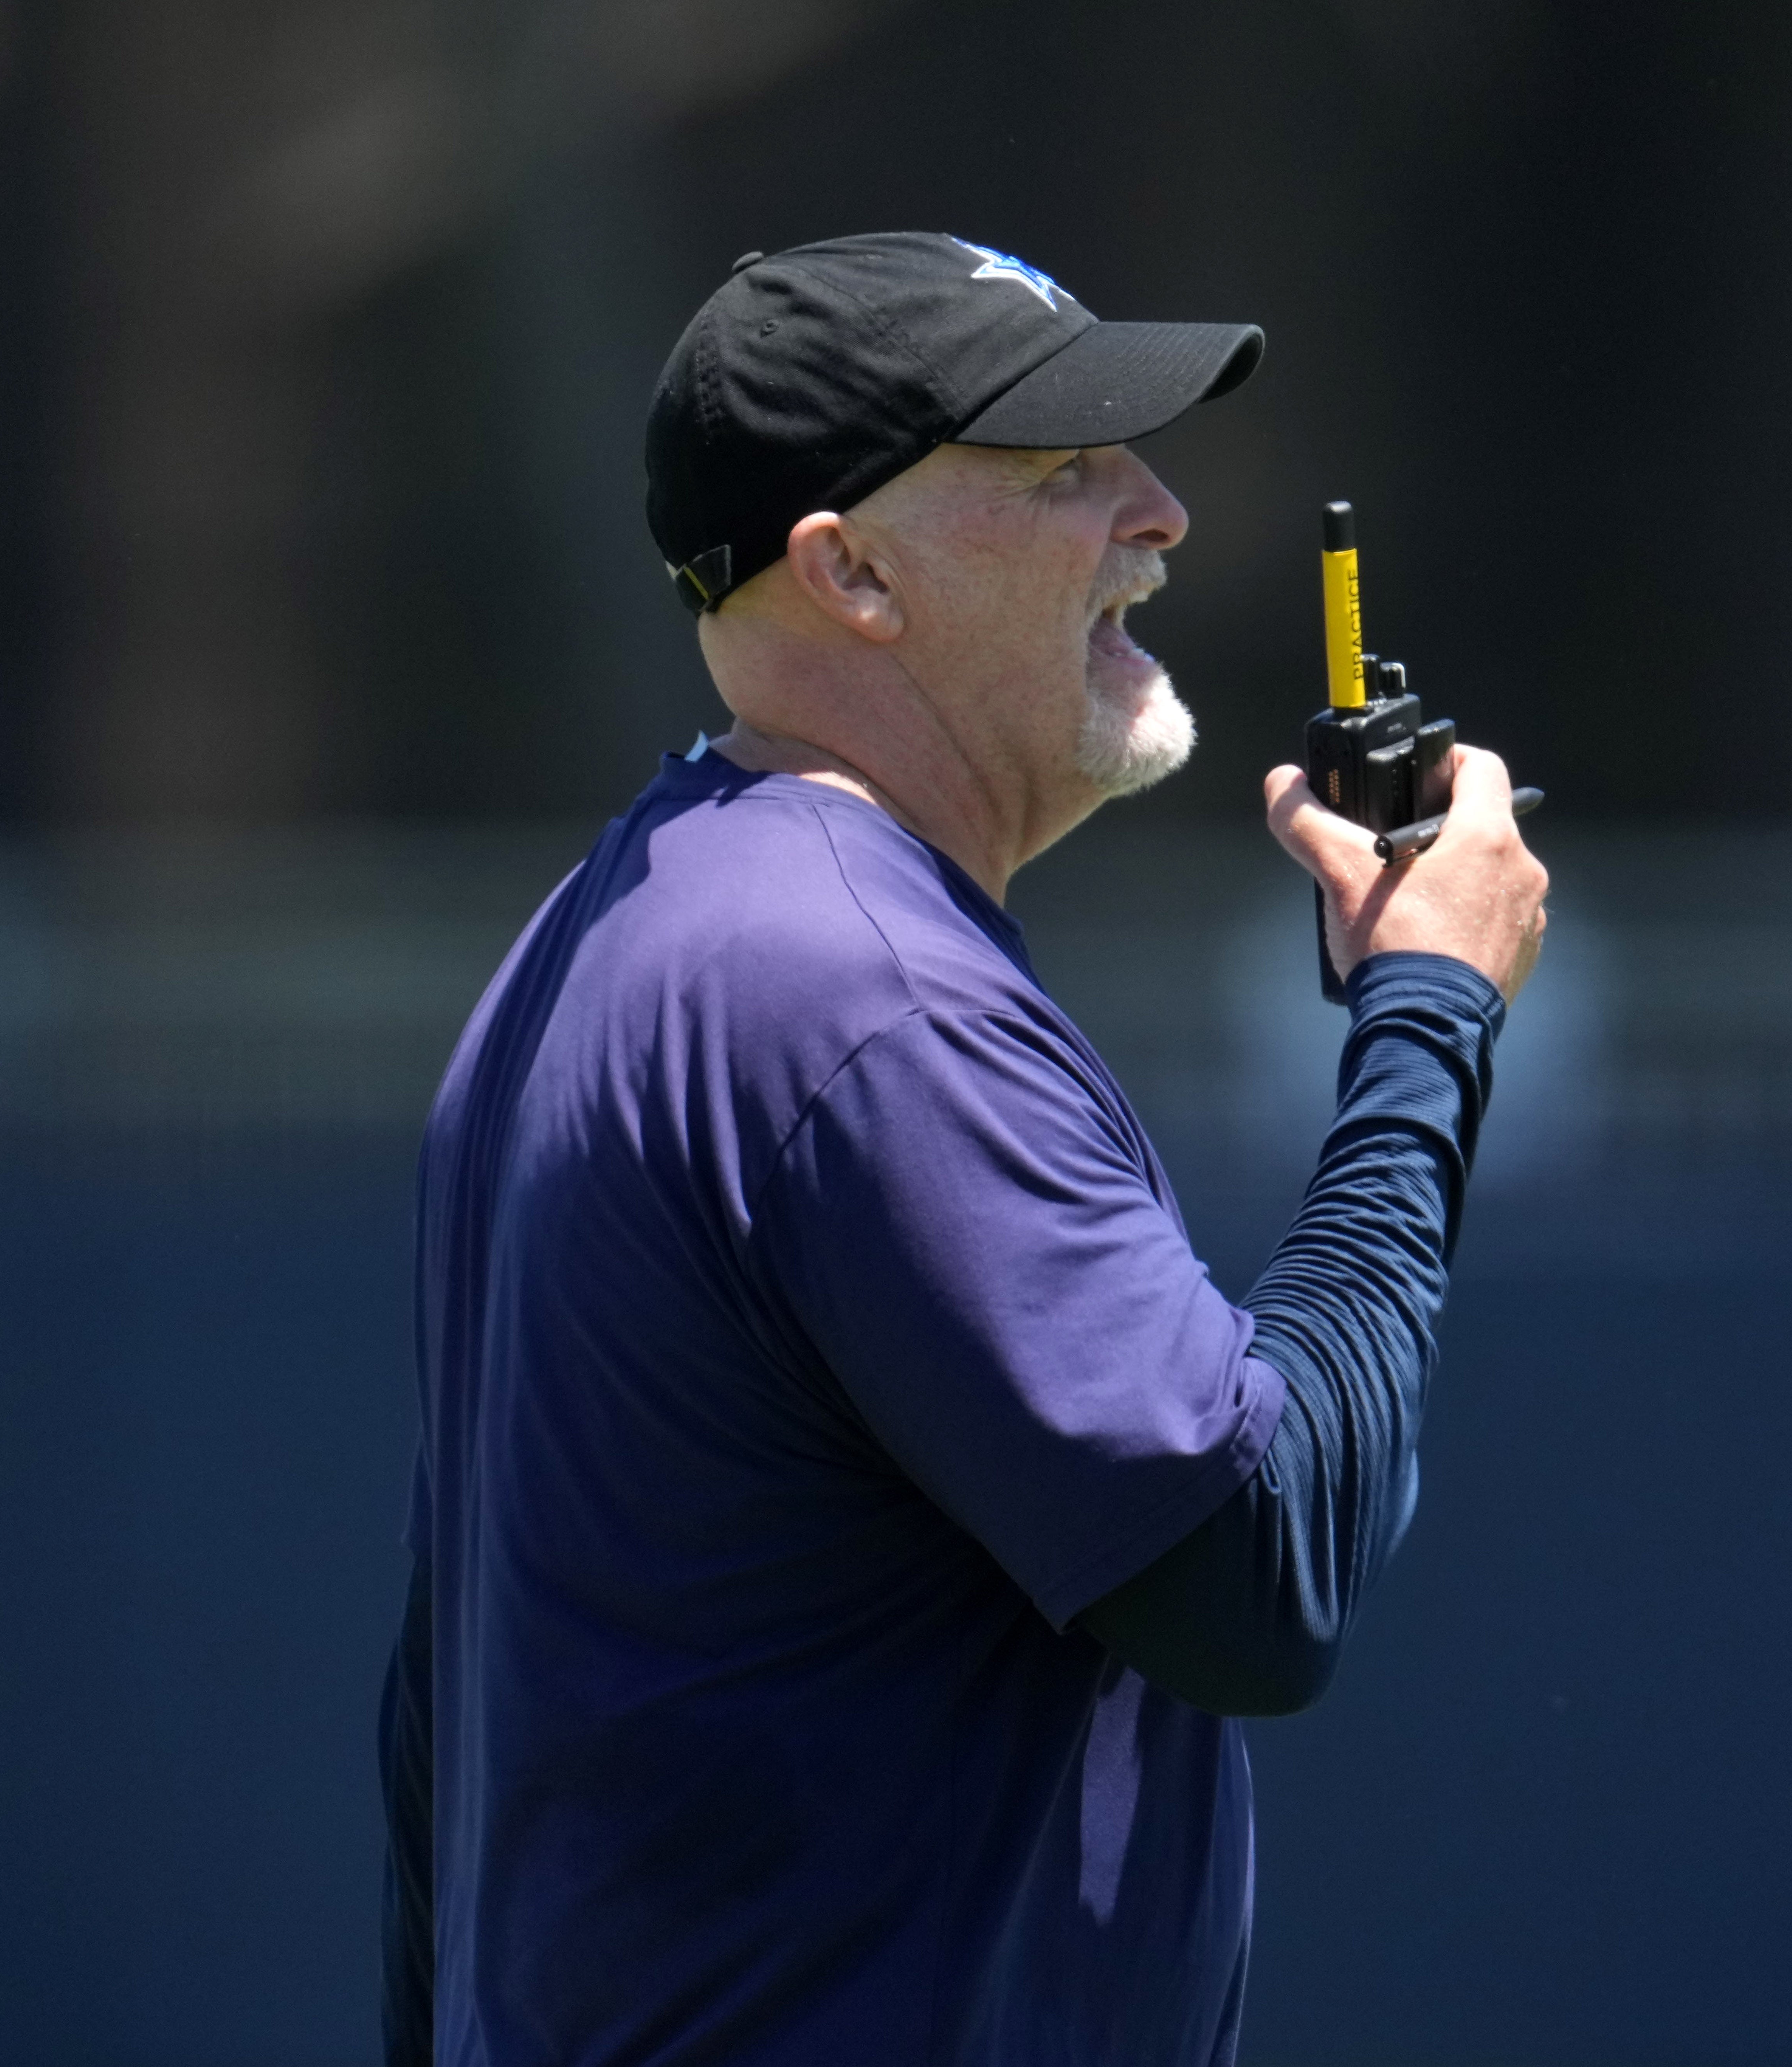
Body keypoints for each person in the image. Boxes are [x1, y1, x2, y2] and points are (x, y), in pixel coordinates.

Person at [380, 231, 1549, 2066]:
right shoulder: (857, 993)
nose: (1160, 513)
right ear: (851, 574)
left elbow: (442, 1724)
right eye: (1065, 470)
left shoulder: (623, 928)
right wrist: (1428, 1021)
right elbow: (1256, 1567)